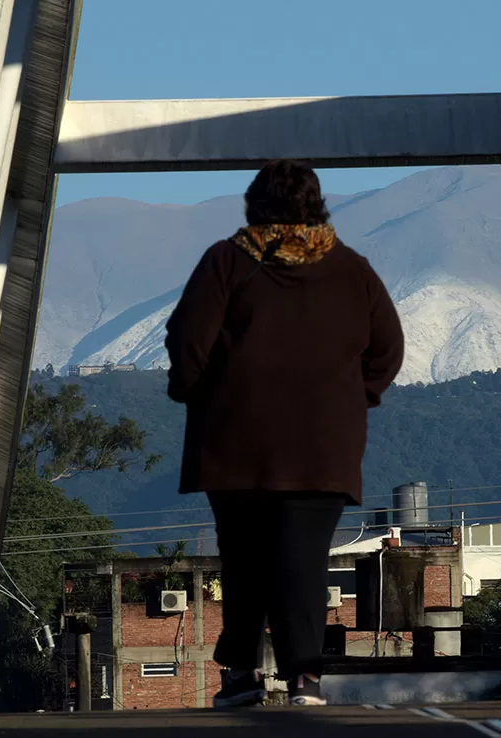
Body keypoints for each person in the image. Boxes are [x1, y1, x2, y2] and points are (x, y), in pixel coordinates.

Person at [165, 159, 404, 708]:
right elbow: (388, 348)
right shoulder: (353, 270)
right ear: (318, 207)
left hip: (236, 443)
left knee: (244, 560)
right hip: (324, 447)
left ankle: (240, 676)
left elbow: (188, 340)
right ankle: (305, 679)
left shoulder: (227, 262)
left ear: (254, 206)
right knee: (303, 561)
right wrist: (352, 396)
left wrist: (197, 392)